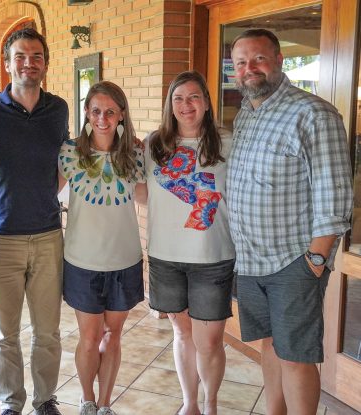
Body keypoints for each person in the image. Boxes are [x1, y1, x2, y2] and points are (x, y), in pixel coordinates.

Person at [227, 29, 353, 414]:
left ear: (280, 60)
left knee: (296, 355)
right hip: (250, 261)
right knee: (269, 344)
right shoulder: (246, 114)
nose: (250, 69)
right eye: (241, 62)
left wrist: (315, 260)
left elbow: (334, 194)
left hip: (293, 262)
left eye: (259, 59)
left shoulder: (313, 113)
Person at [0, 28, 69, 415]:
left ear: (45, 63)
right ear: (7, 64)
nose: (29, 63)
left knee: (48, 333)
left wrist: (46, 193)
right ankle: (11, 403)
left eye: (36, 56)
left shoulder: (58, 109)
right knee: (4, 335)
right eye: (20, 56)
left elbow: (64, 159)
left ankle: (45, 400)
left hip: (46, 236)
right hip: (0, 237)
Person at [135, 71, 235, 415]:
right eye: (178, 99)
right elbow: (146, 195)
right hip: (165, 256)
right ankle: (190, 403)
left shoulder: (227, 142)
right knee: (182, 334)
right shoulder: (154, 145)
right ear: (170, 105)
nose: (186, 105)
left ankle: (211, 405)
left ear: (206, 103)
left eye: (193, 97)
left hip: (213, 255)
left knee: (209, 341)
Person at [59, 81, 145, 415]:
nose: (102, 118)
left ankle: (106, 403)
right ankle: (87, 400)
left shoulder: (135, 154)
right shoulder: (69, 153)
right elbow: (43, 191)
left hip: (124, 258)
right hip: (82, 259)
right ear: (87, 113)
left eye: (110, 111)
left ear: (121, 114)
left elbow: (150, 195)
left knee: (114, 335)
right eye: (96, 111)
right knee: (90, 336)